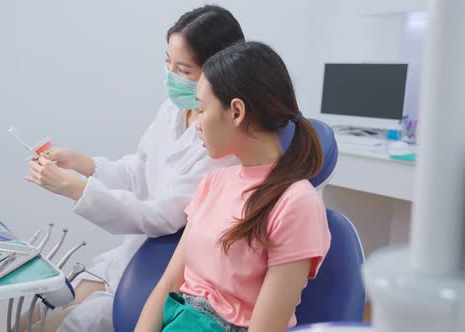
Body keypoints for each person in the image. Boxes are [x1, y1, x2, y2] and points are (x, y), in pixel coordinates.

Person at [23, 5, 245, 332]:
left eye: (183, 70)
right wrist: (85, 165)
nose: (171, 76)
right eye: (168, 63)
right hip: (132, 255)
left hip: (164, 265)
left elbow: (163, 217)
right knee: (34, 323)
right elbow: (140, 172)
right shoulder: (172, 110)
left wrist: (73, 187)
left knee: (67, 324)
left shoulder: (222, 141)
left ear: (221, 71)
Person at [135, 41, 331, 332]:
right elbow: (170, 283)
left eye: (201, 110)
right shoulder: (214, 182)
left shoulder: (297, 202)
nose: (197, 123)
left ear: (237, 112)